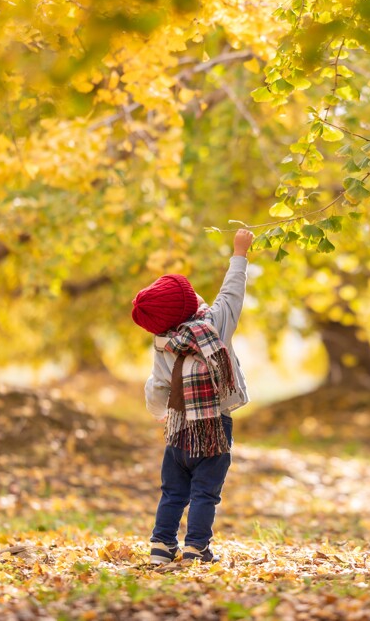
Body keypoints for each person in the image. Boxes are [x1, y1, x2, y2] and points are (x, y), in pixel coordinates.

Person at [130, 229, 254, 564]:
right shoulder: (214, 326)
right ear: (189, 305)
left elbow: (157, 386)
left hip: (178, 430)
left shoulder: (162, 343)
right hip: (215, 428)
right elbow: (231, 294)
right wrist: (239, 254)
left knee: (173, 491)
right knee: (204, 492)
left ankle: (161, 545)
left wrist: (160, 413)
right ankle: (196, 547)